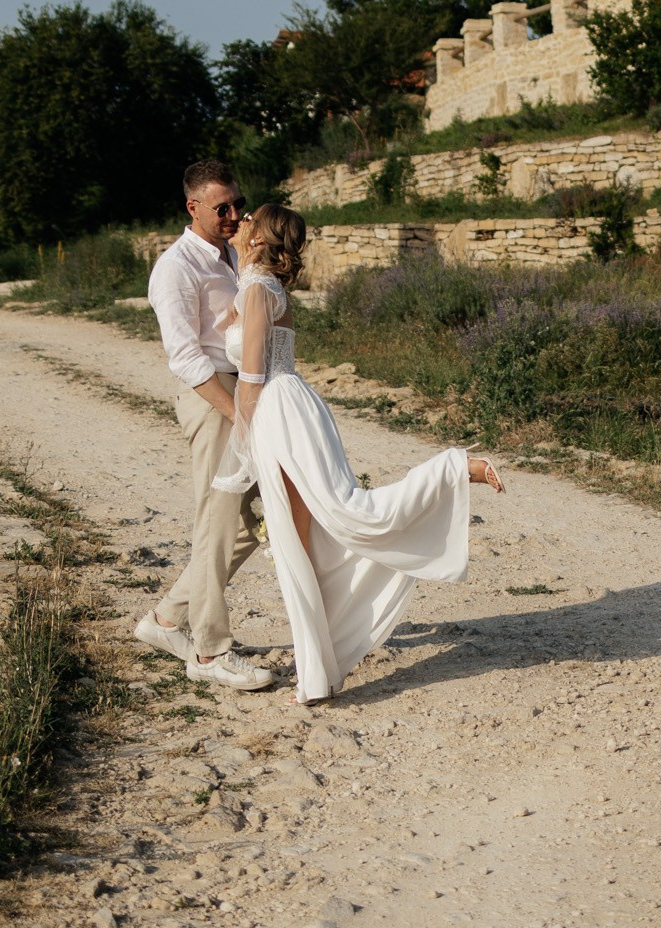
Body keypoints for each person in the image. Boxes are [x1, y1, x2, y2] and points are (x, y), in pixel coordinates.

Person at [211, 204, 505, 704]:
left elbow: (254, 375)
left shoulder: (260, 288)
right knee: (303, 542)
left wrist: (241, 445)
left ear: (261, 238)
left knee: (331, 522)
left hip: (278, 414)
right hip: (285, 409)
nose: (239, 224)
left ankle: (454, 469)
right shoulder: (255, 285)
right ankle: (318, 673)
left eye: (248, 221)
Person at [135, 159, 276, 690]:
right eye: (223, 207)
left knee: (247, 525)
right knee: (215, 524)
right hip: (214, 397)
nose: (234, 214)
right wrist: (235, 413)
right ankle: (211, 652)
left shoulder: (230, 257)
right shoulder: (175, 268)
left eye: (238, 203)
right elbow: (186, 357)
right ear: (191, 207)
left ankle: (167, 618)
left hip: (246, 391)